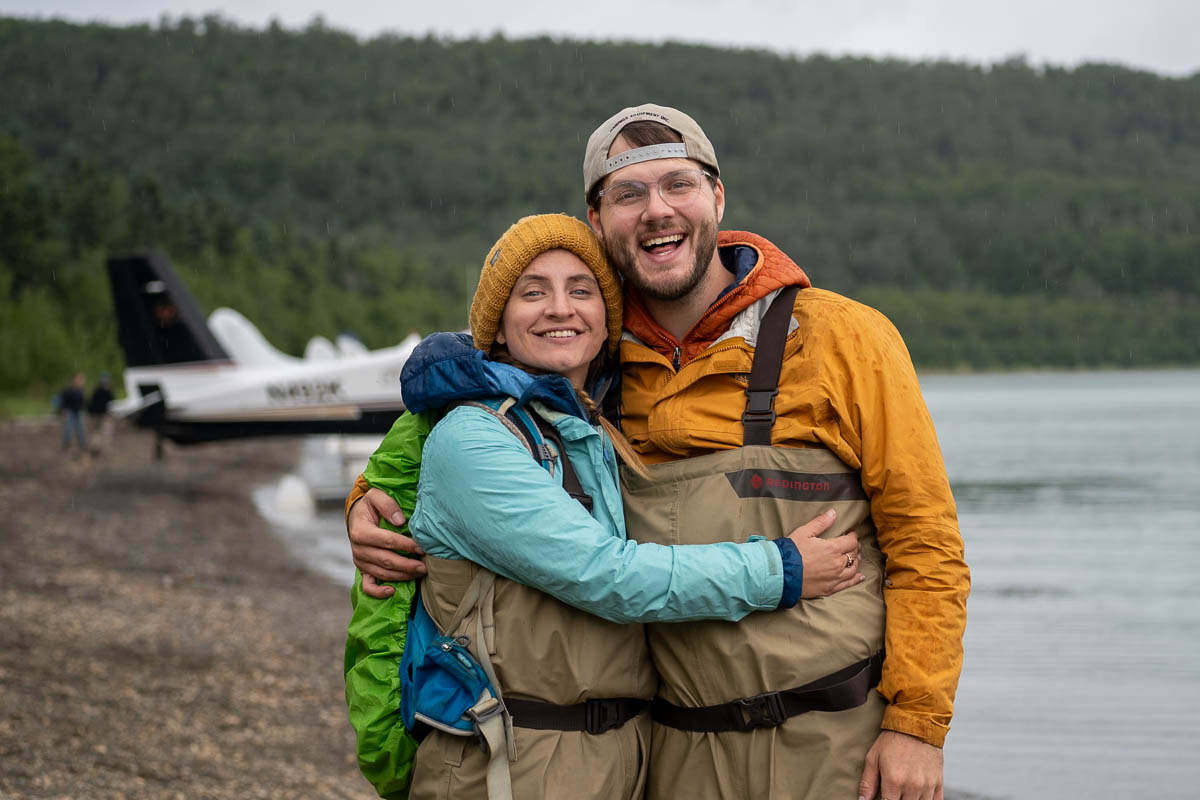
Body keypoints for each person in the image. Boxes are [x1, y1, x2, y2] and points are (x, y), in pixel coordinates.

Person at [349, 106, 970, 800]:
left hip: (835, 747)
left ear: (717, 198)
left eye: (678, 184)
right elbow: (450, 415)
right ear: (597, 221)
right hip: (670, 759)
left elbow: (926, 543)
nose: (656, 211)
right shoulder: (589, 364)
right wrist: (371, 502)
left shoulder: (845, 338)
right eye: (628, 194)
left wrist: (916, 724)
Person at [346, 213, 865, 800]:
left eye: (582, 290)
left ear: (607, 319)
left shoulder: (589, 422)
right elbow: (605, 575)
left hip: (619, 757)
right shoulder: (474, 437)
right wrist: (782, 570)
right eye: (532, 292)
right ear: (495, 323)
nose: (560, 308)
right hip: (508, 761)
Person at [57, 371, 88, 453]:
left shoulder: (81, 390)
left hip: (78, 412)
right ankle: (66, 445)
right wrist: (62, 410)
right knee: (68, 429)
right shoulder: (68, 390)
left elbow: (84, 402)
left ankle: (82, 445)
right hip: (70, 412)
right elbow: (62, 400)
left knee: (80, 429)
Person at [87, 372, 115, 454]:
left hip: (99, 415)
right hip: (101, 415)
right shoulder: (107, 391)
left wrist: (91, 413)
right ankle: (100, 448)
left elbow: (90, 403)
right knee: (103, 432)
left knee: (98, 432)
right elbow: (111, 403)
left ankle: (98, 448)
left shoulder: (97, 390)